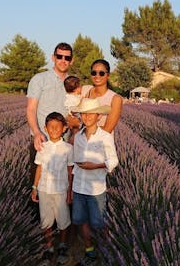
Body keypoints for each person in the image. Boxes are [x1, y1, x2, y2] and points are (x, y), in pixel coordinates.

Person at [70, 98, 118, 265]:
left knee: (98, 222)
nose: (87, 116)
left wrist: (96, 165)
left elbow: (113, 160)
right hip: (78, 187)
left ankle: (106, 248)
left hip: (96, 188)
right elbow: (74, 160)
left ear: (98, 116)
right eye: (84, 113)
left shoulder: (105, 136)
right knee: (81, 220)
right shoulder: (77, 137)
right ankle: (89, 250)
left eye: (91, 113)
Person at [30, 112, 74, 265]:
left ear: (64, 129)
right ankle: (48, 248)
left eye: (57, 127)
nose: (54, 129)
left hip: (61, 190)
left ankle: (62, 246)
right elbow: (39, 168)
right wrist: (34, 187)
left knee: (63, 220)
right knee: (45, 220)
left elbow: (70, 172)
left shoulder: (68, 149)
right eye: (51, 127)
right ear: (45, 128)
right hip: (44, 189)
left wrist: (70, 193)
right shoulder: (42, 147)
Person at [81, 59, 123, 134]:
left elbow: (107, 129)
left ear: (108, 75)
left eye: (101, 73)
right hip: (83, 142)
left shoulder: (115, 99)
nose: (97, 76)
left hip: (102, 143)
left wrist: (82, 132)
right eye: (94, 73)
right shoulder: (85, 91)